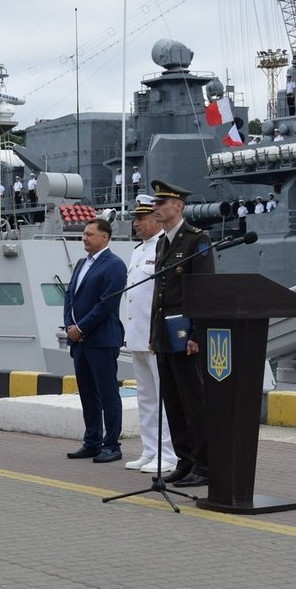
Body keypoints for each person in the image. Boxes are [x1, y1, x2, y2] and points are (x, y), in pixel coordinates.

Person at [149, 180, 215, 488]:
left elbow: (203, 291)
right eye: (156, 203)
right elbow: (160, 295)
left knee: (194, 402)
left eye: (162, 202)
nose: (156, 208)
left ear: (179, 205)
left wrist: (197, 335)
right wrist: (154, 337)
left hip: (186, 338)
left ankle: (204, 464)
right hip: (165, 337)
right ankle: (185, 460)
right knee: (173, 402)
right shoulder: (163, 242)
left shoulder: (197, 240)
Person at [120, 196, 177, 473]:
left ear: (156, 219)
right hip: (138, 335)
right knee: (145, 396)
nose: (136, 223)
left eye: (141, 218)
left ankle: (168, 453)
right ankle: (149, 450)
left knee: (163, 397)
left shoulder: (164, 248)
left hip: (156, 336)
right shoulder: (137, 251)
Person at [62, 218, 127, 463]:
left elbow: (106, 304)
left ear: (105, 237)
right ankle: (92, 441)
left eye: (90, 234)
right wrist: (70, 325)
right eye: (84, 235)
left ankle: (112, 444)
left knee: (108, 392)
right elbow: (70, 295)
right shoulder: (81, 263)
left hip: (101, 339)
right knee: (87, 393)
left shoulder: (115, 265)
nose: (84, 238)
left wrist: (81, 327)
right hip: (79, 341)